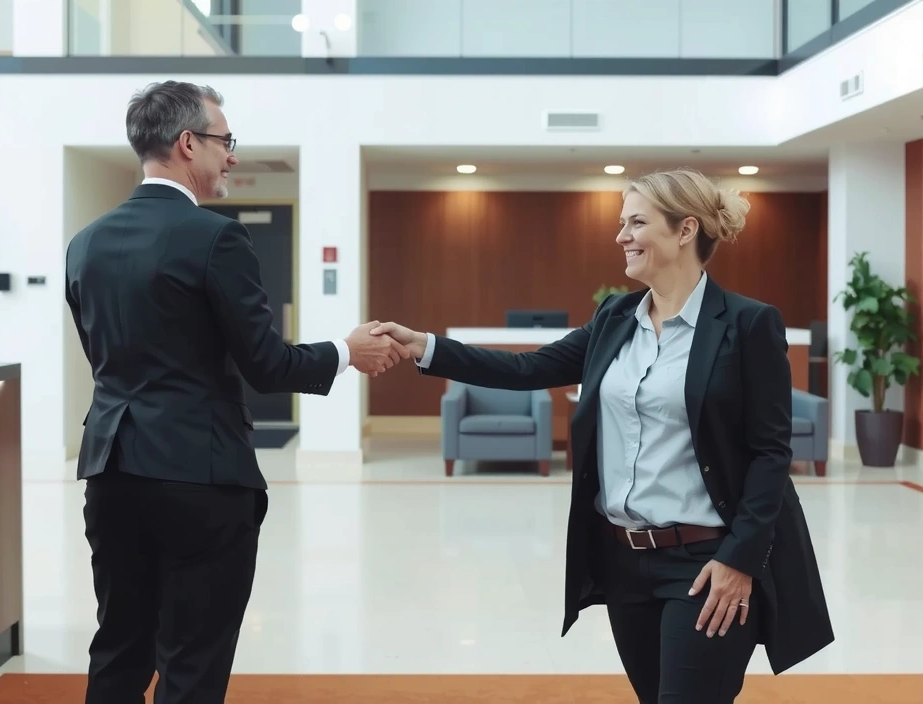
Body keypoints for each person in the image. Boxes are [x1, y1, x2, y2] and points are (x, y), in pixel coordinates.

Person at [370, 168, 833, 703]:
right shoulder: (615, 317)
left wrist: (740, 561)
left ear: (685, 230)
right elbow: (527, 370)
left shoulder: (748, 324)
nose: (621, 236)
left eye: (636, 222)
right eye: (622, 223)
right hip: (625, 562)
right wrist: (423, 345)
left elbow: (772, 452)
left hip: (706, 563)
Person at [65, 80, 409, 704]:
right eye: (226, 142)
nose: (234, 156)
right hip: (200, 476)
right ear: (187, 143)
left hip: (111, 471)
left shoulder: (84, 244)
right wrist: (345, 353)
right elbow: (267, 365)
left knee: (118, 646)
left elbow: (106, 361)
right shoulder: (215, 237)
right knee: (192, 661)